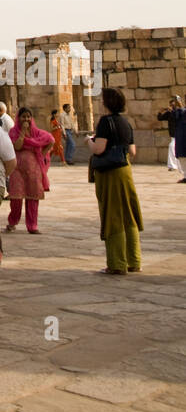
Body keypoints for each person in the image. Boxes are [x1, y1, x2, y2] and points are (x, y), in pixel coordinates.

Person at [88, 86, 143, 274]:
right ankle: (134, 260)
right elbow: (133, 151)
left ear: (107, 103)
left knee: (113, 216)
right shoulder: (125, 123)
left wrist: (89, 141)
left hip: (110, 173)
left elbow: (99, 149)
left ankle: (117, 263)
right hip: (125, 171)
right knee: (129, 215)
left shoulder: (105, 122)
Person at [6, 108, 54, 233]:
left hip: (33, 168)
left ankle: (32, 225)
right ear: (18, 118)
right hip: (17, 168)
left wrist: (42, 154)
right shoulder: (13, 132)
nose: (26, 119)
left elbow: (51, 140)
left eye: (28, 117)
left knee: (33, 197)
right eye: (23, 117)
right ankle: (12, 221)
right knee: (16, 197)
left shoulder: (37, 133)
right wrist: (22, 132)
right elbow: (17, 146)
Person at [156, 97, 183, 175]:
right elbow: (160, 118)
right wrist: (161, 111)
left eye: (173, 104)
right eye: (171, 104)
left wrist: (173, 111)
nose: (171, 106)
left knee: (172, 147)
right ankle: (174, 166)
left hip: (179, 135)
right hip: (173, 135)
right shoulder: (169, 113)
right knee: (173, 148)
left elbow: (178, 117)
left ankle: (174, 166)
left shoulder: (179, 112)